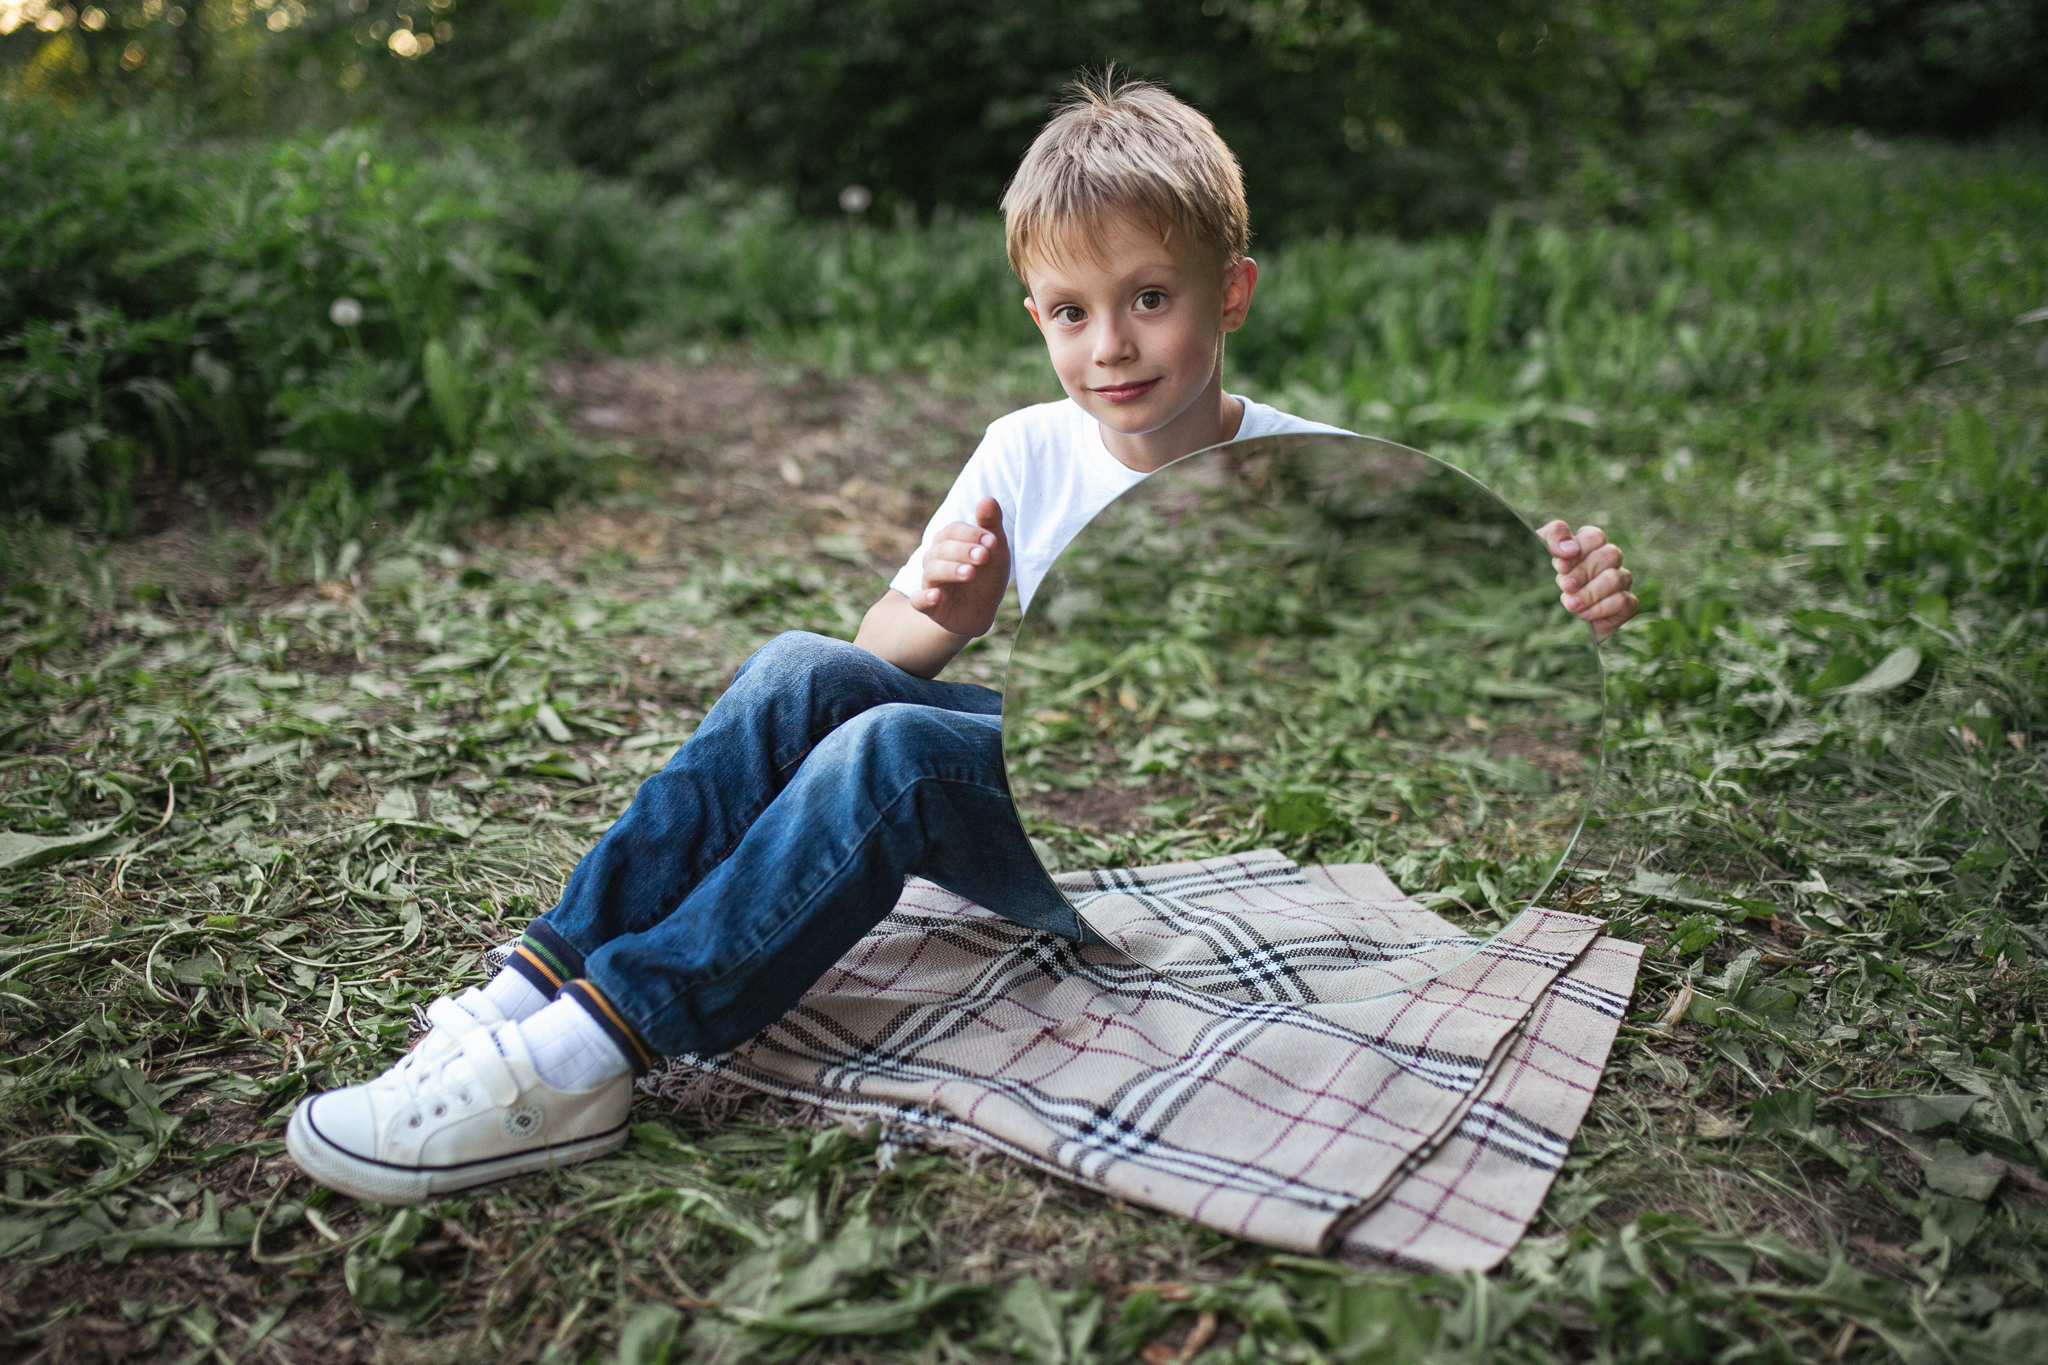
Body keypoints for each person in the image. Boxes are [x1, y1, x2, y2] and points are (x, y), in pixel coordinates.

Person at [286, 77, 1640, 1204]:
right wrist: (946, 600)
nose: (1109, 343)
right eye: (1069, 310)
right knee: (802, 668)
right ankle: (531, 986)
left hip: (1158, 809)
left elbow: (1423, 639)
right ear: (1036, 312)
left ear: (1231, 293)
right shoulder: (1023, 450)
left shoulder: (1297, 468)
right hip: (1038, 759)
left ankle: (593, 1051)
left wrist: (1557, 600)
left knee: (896, 759)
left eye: (1150, 299)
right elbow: (896, 644)